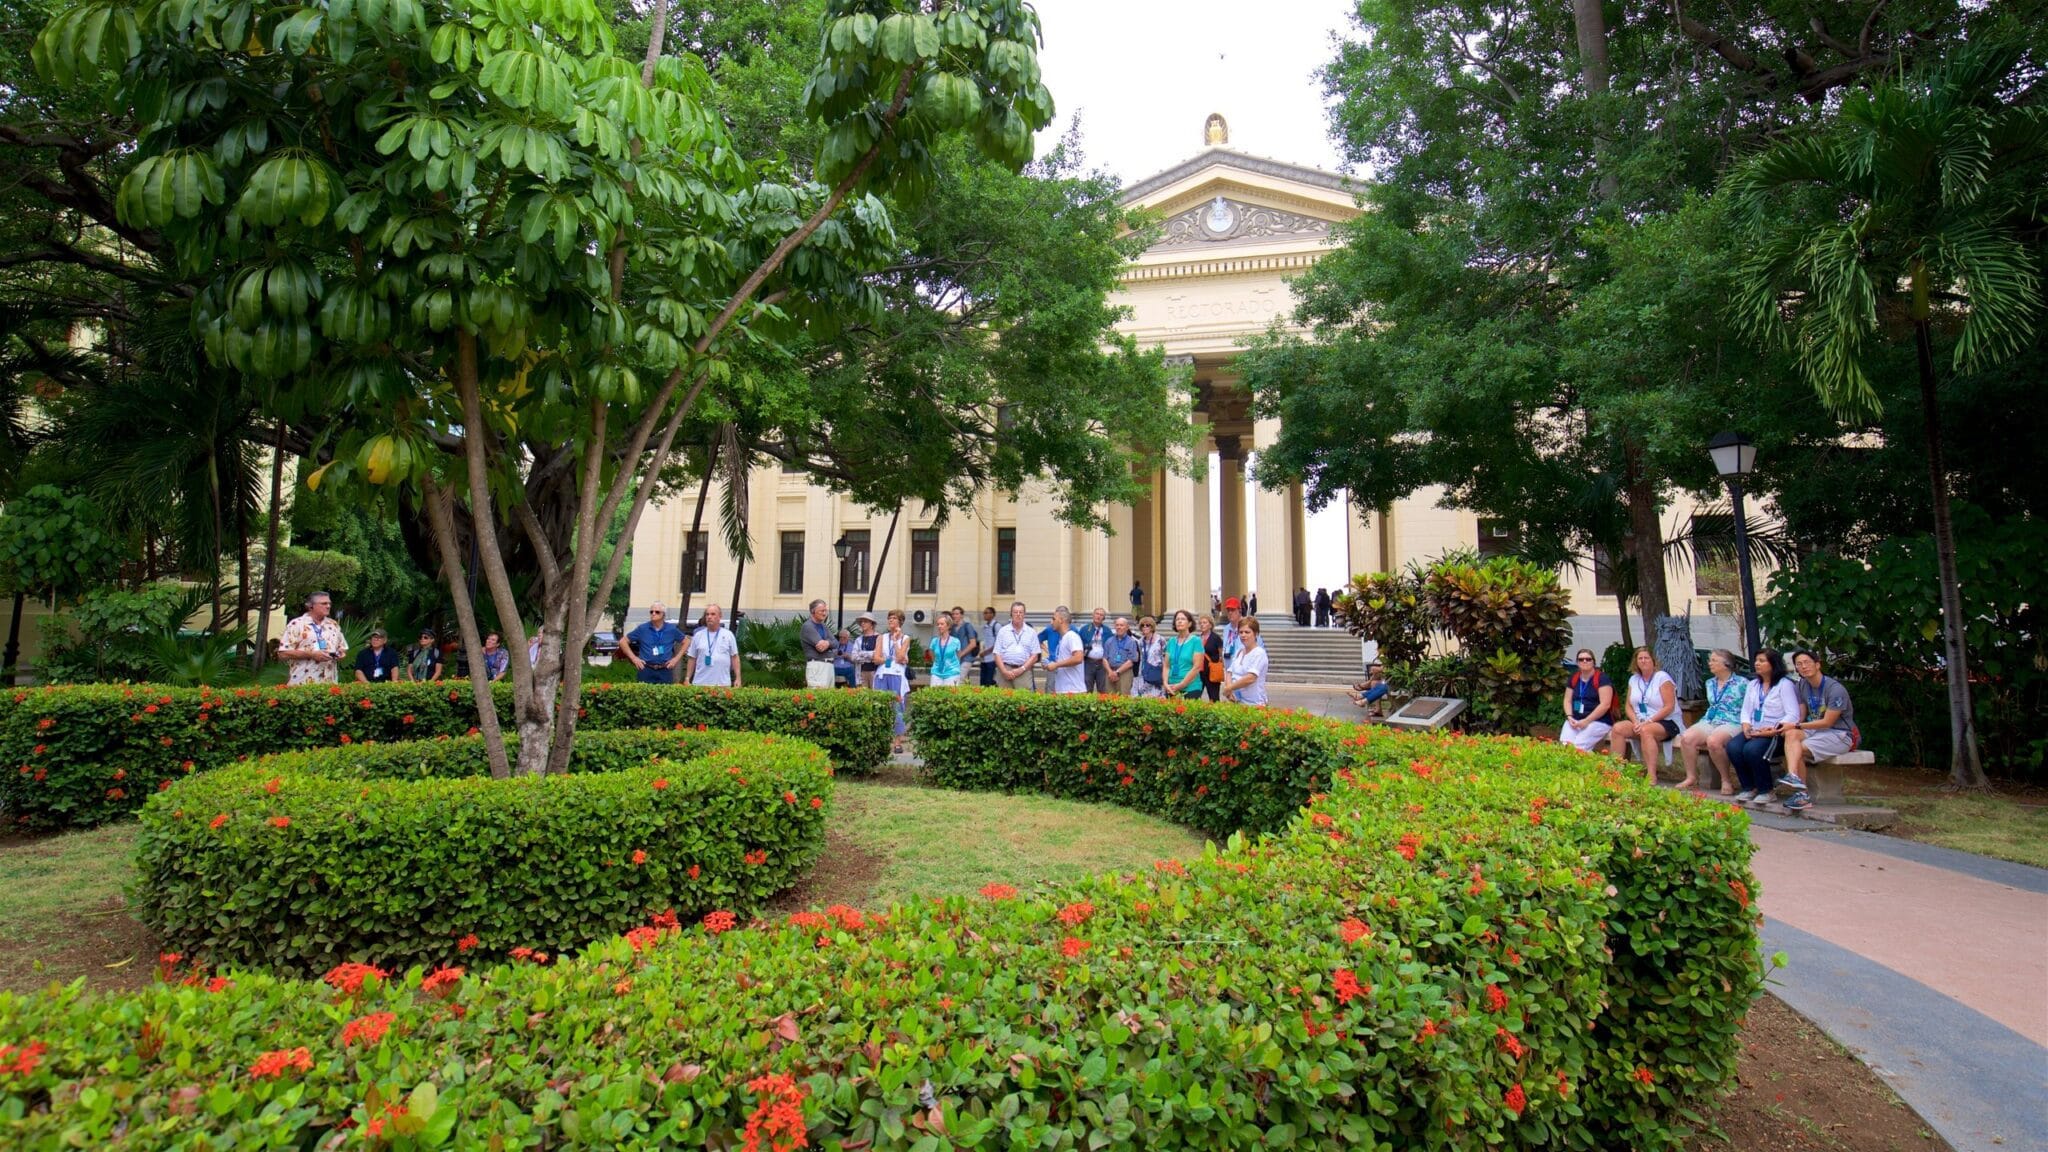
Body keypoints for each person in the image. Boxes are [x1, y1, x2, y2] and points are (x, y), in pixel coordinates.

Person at [1777, 650, 1858, 813]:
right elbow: (1801, 716)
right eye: (1799, 664)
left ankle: (1801, 794)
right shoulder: (1801, 685)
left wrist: (1797, 726)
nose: (1803, 667)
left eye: (1807, 662)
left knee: (1796, 746)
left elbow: (1828, 722)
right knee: (1791, 735)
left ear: (1818, 664)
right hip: (1816, 731)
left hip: (1840, 734)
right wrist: (1784, 726)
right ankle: (1794, 778)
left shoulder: (1835, 689)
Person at [1727, 649, 1800, 804]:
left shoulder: (1784, 685)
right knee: (1733, 747)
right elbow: (1746, 710)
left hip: (1775, 733)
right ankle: (1748, 787)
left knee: (1752, 750)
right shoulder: (1753, 684)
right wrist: (1746, 726)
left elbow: (1793, 714)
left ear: (1773, 664)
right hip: (1755, 729)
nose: (1757, 664)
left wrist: (1772, 729)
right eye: (1756, 660)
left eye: (1762, 661)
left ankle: (1766, 790)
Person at [1677, 650, 1748, 793]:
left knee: (1714, 741)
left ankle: (1726, 780)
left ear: (1726, 664)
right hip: (1711, 719)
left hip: (1733, 720)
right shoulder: (1710, 683)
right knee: (1686, 738)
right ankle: (1691, 777)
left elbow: (1749, 706)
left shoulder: (1742, 683)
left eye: (1714, 660)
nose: (1710, 663)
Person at [1610, 647, 1680, 783]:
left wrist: (1648, 721)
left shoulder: (1662, 677)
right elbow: (1628, 706)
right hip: (1640, 720)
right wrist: (1635, 721)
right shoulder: (1633, 679)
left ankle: (1651, 775)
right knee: (1618, 728)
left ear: (1653, 661)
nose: (1643, 661)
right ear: (1636, 662)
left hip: (1665, 720)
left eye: (1646, 658)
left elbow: (1669, 706)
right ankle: (1615, 771)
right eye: (1640, 658)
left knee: (1646, 730)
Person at [278, 591, 347, 686]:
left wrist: (340, 653)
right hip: (302, 684)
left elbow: (342, 647)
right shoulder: (297, 624)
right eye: (324, 603)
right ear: (311, 606)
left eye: (329, 603)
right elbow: (283, 653)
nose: (328, 606)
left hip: (330, 685)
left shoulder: (333, 625)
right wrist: (311, 655)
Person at [1559, 648, 1616, 752]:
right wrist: (1569, 716)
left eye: (1588, 659)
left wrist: (1587, 721)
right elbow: (1567, 700)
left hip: (1597, 721)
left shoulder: (1602, 679)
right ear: (1577, 662)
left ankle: (1582, 768)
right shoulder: (1574, 678)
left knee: (1578, 747)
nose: (1584, 661)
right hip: (1575, 719)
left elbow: (1605, 705)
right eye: (1581, 659)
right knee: (1564, 746)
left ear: (1593, 661)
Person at [874, 610, 913, 752]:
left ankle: (897, 742)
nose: (891, 620)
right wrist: (891, 659)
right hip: (882, 674)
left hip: (897, 675)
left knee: (897, 707)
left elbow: (902, 655)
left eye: (894, 618)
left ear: (900, 622)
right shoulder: (881, 637)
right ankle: (882, 740)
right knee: (881, 706)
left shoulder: (905, 638)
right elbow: (876, 658)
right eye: (889, 618)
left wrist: (896, 641)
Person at [623, 603, 683, 685]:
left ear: (663, 615)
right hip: (646, 669)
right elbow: (623, 642)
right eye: (651, 612)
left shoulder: (671, 629)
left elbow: (686, 641)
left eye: (657, 612)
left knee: (664, 696)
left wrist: (676, 659)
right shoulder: (642, 628)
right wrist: (634, 658)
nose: (653, 614)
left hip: (665, 669)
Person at [684, 603, 741, 687]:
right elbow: (692, 658)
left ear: (720, 616)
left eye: (713, 614)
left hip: (722, 684)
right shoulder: (698, 636)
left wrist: (738, 678)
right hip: (700, 683)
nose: (709, 617)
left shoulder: (728, 635)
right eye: (707, 614)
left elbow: (735, 657)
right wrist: (687, 678)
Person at [1222, 616, 1269, 705]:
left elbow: (1250, 678)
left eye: (1247, 632)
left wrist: (1229, 688)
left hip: (1255, 704)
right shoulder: (1239, 651)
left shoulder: (1259, 653)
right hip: (1238, 702)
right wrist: (1229, 688)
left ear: (1256, 634)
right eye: (1241, 632)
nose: (1243, 635)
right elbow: (1229, 671)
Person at [993, 602, 1037, 690]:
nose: (1018, 614)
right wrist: (1004, 671)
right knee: (1004, 699)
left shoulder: (1031, 632)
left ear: (1024, 614)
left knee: (1023, 700)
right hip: (1005, 670)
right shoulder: (1003, 631)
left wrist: (1021, 669)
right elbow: (997, 653)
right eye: (1015, 612)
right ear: (1011, 614)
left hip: (1023, 670)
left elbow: (1034, 655)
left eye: (1021, 612)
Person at [1164, 610, 1207, 700]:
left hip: (1191, 688)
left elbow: (1197, 667)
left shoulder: (1196, 641)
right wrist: (1165, 683)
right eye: (1177, 619)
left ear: (1190, 623)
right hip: (1171, 687)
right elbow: (1166, 666)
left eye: (1183, 619)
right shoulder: (1171, 641)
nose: (1179, 621)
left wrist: (1181, 685)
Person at [1044, 607, 1087, 695]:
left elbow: (1078, 658)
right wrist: (1049, 664)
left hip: (1073, 691)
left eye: (1053, 619)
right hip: (1064, 691)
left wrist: (1056, 665)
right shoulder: (1063, 639)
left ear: (1061, 620)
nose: (1051, 622)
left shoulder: (1072, 636)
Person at [800, 599, 837, 690]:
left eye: (825, 610)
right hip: (817, 666)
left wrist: (827, 642)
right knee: (818, 698)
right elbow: (821, 647)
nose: (825, 613)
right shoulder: (808, 626)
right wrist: (829, 644)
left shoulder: (823, 626)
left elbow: (836, 643)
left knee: (829, 699)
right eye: (822, 611)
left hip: (828, 666)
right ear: (813, 612)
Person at [1102, 616, 1141, 696]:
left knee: (1124, 697)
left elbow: (1131, 661)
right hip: (1110, 672)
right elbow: (1104, 659)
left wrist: (1117, 672)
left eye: (1121, 625)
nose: (1119, 627)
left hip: (1124, 673)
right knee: (1109, 697)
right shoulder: (1109, 641)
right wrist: (1110, 672)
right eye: (1117, 625)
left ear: (1127, 627)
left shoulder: (1132, 642)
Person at [1076, 608, 1110, 695]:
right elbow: (1078, 644)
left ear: (1104, 618)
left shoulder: (1107, 631)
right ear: (1093, 615)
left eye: (1101, 615)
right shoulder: (1084, 629)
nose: (1098, 616)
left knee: (1103, 689)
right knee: (1087, 688)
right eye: (1097, 614)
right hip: (1088, 662)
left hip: (1102, 663)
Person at [927, 613, 964, 688]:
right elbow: (932, 655)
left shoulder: (955, 641)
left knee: (950, 697)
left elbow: (958, 657)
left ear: (948, 626)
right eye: (938, 624)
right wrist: (938, 663)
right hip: (936, 673)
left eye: (942, 624)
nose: (939, 626)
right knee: (934, 696)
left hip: (952, 673)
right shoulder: (934, 641)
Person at [1133, 616, 1166, 697]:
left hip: (1157, 671)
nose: (1145, 627)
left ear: (1152, 627)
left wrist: (1165, 674)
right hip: (1145, 671)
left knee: (1157, 697)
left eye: (1147, 625)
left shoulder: (1161, 640)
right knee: (1144, 697)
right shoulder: (1140, 641)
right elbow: (1141, 657)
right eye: (1142, 625)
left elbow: (1165, 657)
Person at [1198, 613, 1224, 702]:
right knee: (1196, 696)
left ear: (1210, 624)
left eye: (1204, 622)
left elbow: (1221, 655)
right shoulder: (1197, 638)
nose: (1202, 625)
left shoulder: (1216, 638)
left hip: (1212, 672)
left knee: (1214, 698)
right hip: (1199, 672)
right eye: (1200, 623)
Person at [852, 613, 882, 688]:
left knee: (876, 694)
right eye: (861, 622)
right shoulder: (858, 639)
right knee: (863, 695)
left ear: (871, 624)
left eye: (865, 621)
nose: (862, 623)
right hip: (861, 671)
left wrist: (861, 653)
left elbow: (878, 655)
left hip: (875, 671)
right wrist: (869, 656)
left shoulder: (878, 637)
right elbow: (853, 656)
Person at [976, 606, 1000, 687]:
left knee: (989, 681)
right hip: (984, 659)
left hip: (992, 658)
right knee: (983, 681)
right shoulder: (985, 627)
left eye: (986, 613)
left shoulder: (996, 626)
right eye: (984, 613)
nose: (984, 615)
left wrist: (985, 652)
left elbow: (998, 643)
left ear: (992, 614)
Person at [950, 606, 979, 674]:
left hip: (967, 658)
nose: (954, 616)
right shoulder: (952, 628)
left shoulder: (967, 626)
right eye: (953, 614)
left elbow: (973, 643)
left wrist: (961, 654)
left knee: (959, 679)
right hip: (956, 659)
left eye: (957, 614)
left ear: (962, 615)